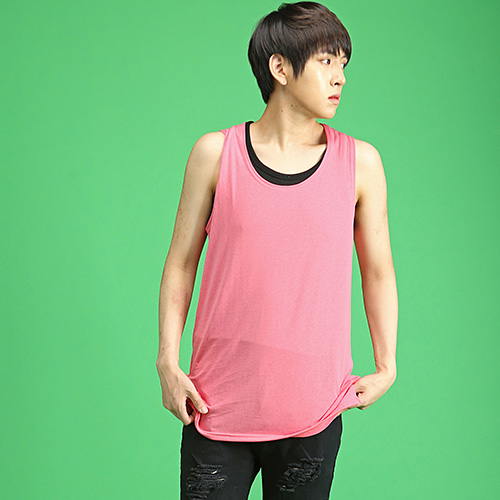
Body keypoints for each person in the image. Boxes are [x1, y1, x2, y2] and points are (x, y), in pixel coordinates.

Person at [156, 2, 398, 498]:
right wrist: (167, 361)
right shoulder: (215, 154)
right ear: (280, 68)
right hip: (216, 407)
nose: (341, 77)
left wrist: (387, 363)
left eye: (343, 63)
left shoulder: (361, 164)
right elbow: (181, 263)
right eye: (326, 61)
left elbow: (378, 271)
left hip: (312, 415)